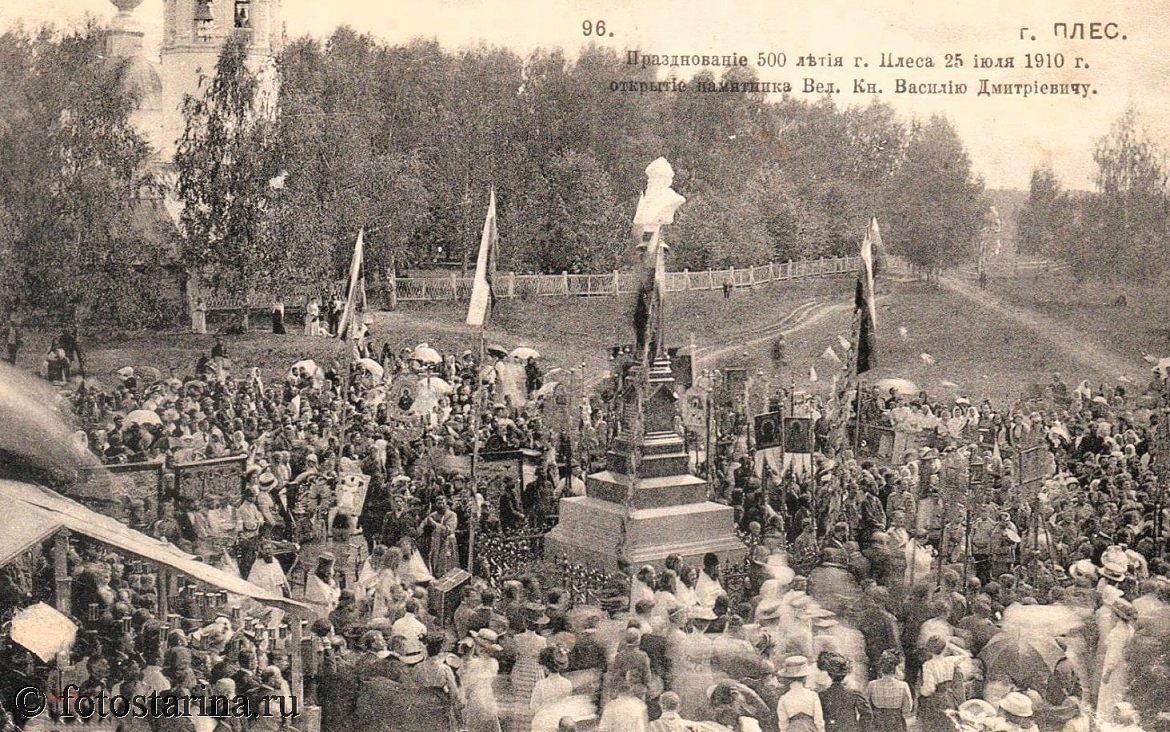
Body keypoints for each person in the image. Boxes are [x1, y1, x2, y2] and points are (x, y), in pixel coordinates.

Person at [865, 650, 912, 732]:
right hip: (896, 722)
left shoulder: (872, 685)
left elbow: (866, 705)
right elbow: (907, 708)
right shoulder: (903, 685)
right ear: (895, 669)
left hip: (878, 722)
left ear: (881, 669)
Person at [775, 656, 824, 732]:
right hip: (810, 729)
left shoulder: (783, 698)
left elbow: (783, 724)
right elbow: (819, 720)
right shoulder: (813, 695)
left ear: (788, 678)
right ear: (805, 678)